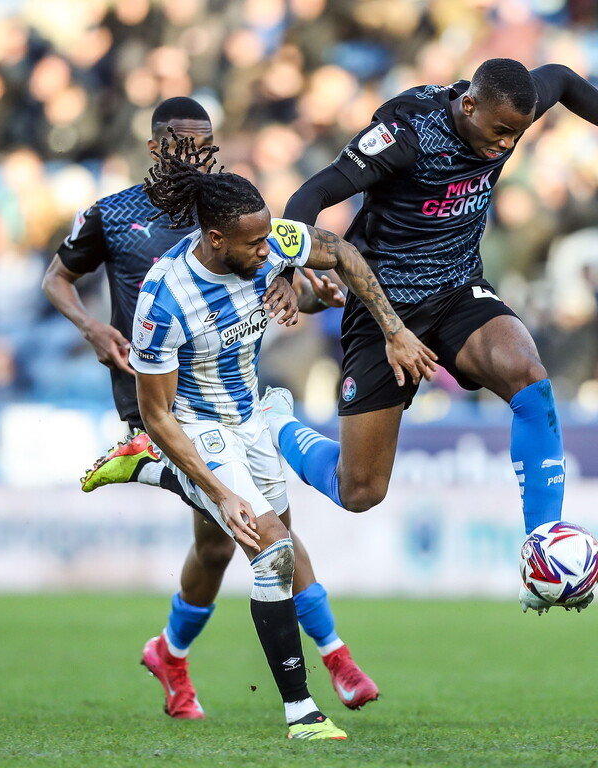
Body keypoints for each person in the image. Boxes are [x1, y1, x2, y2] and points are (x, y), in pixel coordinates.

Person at [262, 58, 598, 615]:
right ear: (468, 106)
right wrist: (288, 272)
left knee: (529, 376)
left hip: (459, 290)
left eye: (516, 133)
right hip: (384, 307)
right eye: (499, 132)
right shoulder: (404, 136)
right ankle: (275, 423)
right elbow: (310, 197)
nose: (505, 144)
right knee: (360, 490)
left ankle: (544, 545)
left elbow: (561, 77)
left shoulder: (509, 105)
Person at [41, 98, 375, 722]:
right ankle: (331, 660)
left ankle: (170, 651)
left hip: (234, 399)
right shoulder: (114, 218)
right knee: (256, 534)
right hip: (160, 404)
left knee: (220, 546)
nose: (191, 152)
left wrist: (305, 288)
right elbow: (56, 279)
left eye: (203, 141)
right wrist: (91, 328)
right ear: (155, 144)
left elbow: (277, 274)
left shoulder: (231, 216)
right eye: (179, 141)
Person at [128, 132, 434, 738]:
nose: (271, 248)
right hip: (198, 425)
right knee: (268, 548)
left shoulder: (266, 245)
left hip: (251, 418)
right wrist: (218, 490)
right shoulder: (165, 301)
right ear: (215, 240)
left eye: (272, 237)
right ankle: (302, 711)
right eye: (256, 243)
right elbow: (158, 414)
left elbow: (341, 254)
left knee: (276, 544)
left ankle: (172, 644)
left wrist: (383, 324)